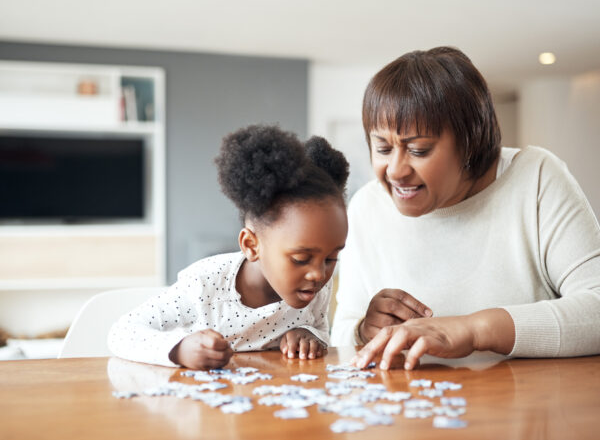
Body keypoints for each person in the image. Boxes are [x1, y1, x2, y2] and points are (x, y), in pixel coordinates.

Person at [329, 46, 600, 371]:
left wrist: (474, 329)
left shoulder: (537, 179)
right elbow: (341, 337)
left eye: (418, 149)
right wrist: (363, 330)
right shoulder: (365, 209)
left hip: (525, 414)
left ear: (470, 141)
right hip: (407, 417)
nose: (396, 170)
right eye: (383, 148)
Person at [109, 124, 349, 369]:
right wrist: (180, 349)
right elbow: (122, 332)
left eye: (331, 259)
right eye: (300, 258)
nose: (319, 274)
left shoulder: (315, 285)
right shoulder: (204, 285)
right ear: (251, 245)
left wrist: (310, 336)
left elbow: (320, 330)